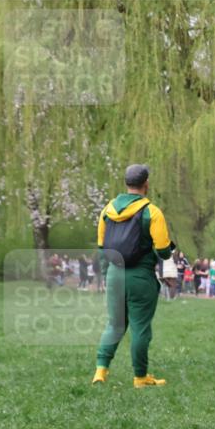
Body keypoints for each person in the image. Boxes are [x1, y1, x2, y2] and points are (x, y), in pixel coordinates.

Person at [91, 164, 174, 387]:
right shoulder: (152, 212)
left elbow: (102, 247)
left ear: (126, 183)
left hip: (114, 276)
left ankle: (100, 370)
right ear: (146, 184)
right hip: (140, 277)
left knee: (114, 325)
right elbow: (163, 251)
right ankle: (140, 377)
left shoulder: (107, 210)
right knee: (140, 328)